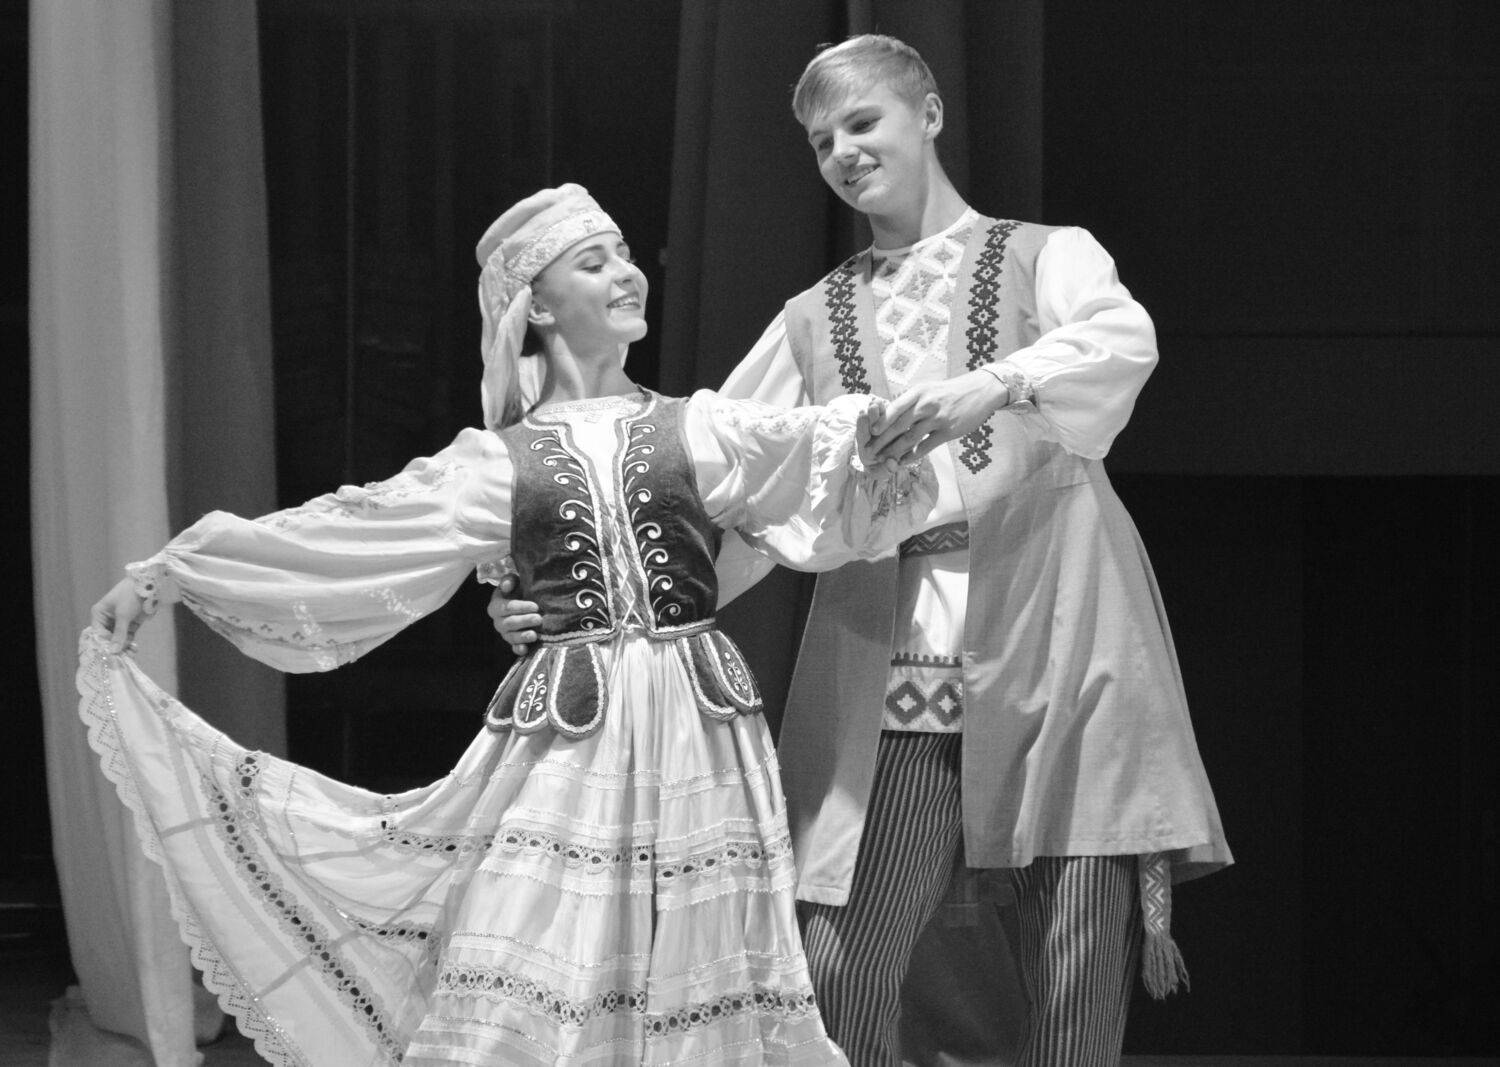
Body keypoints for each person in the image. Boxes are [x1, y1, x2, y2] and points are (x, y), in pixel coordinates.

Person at [491, 37, 1232, 1067]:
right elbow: (707, 490)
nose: (842, 150)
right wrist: (578, 602)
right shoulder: (812, 318)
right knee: (839, 961)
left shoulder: (1045, 255)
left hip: (1064, 636)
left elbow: (1120, 342)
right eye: (820, 139)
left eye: (862, 121)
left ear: (929, 114)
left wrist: (992, 383)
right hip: (892, 655)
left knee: (1074, 966)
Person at [83, 185, 948, 1066]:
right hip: (573, 736)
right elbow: (351, 533)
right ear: (536, 306)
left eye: (625, 254)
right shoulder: (496, 462)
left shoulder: (699, 426)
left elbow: (815, 446)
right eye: (594, 261)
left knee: (697, 963)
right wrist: (171, 572)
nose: (627, 273)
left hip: (698, 732)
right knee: (539, 959)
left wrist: (948, 405)